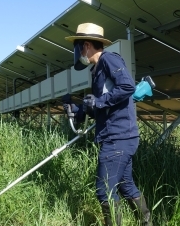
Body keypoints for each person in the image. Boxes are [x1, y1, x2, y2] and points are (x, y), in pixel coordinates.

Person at [63, 23, 152, 226]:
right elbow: (101, 107)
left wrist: (99, 102)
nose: (77, 53)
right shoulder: (97, 70)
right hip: (119, 137)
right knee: (126, 186)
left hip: (118, 138)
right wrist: (77, 110)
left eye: (77, 47)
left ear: (86, 45)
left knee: (104, 190)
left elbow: (127, 86)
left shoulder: (109, 59)